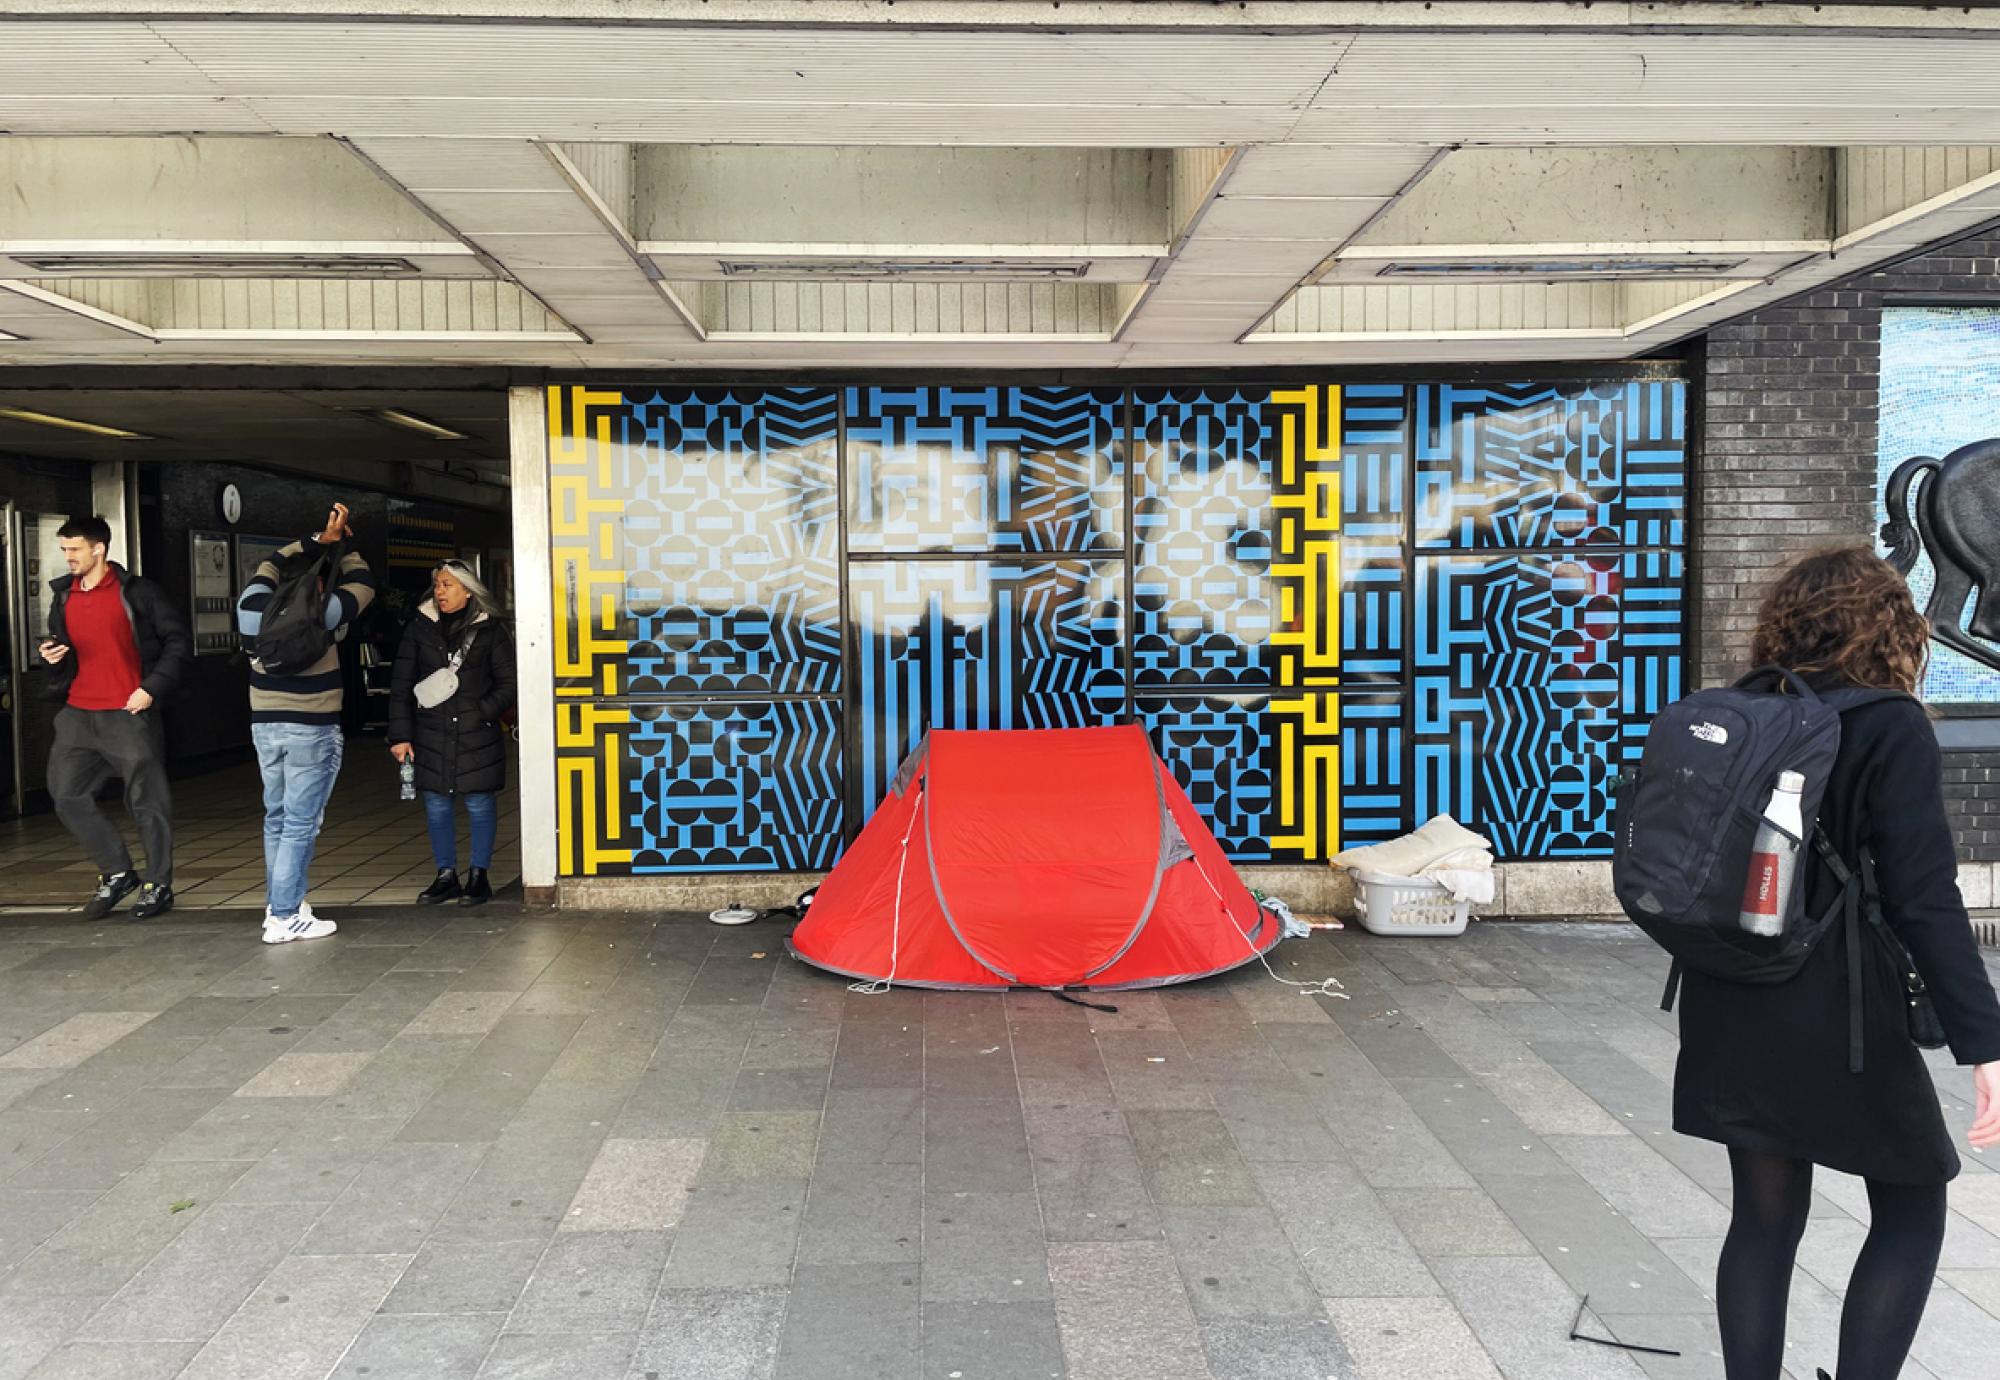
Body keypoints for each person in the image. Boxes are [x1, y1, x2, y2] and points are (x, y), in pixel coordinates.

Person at [1674, 547, 2000, 1380]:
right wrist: (1985, 1044)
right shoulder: (1889, 725)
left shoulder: (1737, 711)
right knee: (1914, 1198)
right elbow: (1926, 899)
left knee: (1764, 1216)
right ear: (1890, 628)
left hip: (1730, 993)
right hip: (1842, 1008)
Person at [37, 515, 191, 920]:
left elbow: (178, 641)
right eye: (64, 549)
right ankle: (118, 872)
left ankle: (159, 884)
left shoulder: (138, 593)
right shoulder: (64, 596)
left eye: (74, 549)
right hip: (77, 713)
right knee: (66, 795)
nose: (67, 557)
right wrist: (53, 657)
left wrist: (151, 689)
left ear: (98, 549)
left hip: (129, 711)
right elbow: (66, 648)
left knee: (147, 801)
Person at [235, 502, 375, 944]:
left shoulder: (251, 606)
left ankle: (280, 904)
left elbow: (268, 564)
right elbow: (365, 584)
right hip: (311, 728)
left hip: (265, 727)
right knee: (300, 823)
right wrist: (344, 545)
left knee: (276, 818)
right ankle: (285, 914)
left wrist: (313, 541)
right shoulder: (324, 611)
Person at [388, 559, 515, 906]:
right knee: (436, 803)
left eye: (448, 585)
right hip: (431, 730)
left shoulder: (489, 630)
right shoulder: (420, 626)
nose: (440, 592)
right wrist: (400, 736)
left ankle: (479, 875)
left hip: (477, 730)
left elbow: (509, 683)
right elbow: (401, 684)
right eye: (438, 585)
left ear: (467, 590)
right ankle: (446, 876)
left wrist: (482, 711)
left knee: (478, 802)